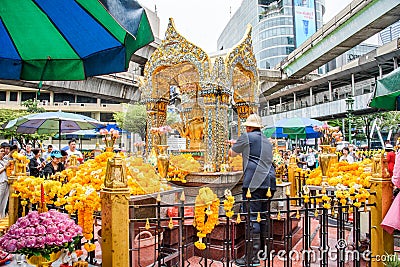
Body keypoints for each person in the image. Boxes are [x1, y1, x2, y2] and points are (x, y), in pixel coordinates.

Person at [228, 114, 276, 267]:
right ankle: (265, 251)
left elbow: (232, 153)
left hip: (254, 182)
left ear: (248, 127)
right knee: (264, 216)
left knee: (252, 217)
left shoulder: (247, 137)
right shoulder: (267, 141)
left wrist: (234, 145)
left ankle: (252, 258)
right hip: (269, 182)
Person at [0, 147, 11, 218]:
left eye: (3, 151)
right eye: (1, 151)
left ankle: (2, 216)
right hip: (1, 181)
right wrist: (5, 167)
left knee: (5, 200)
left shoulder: (4, 160)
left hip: (6, 181)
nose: (3, 153)